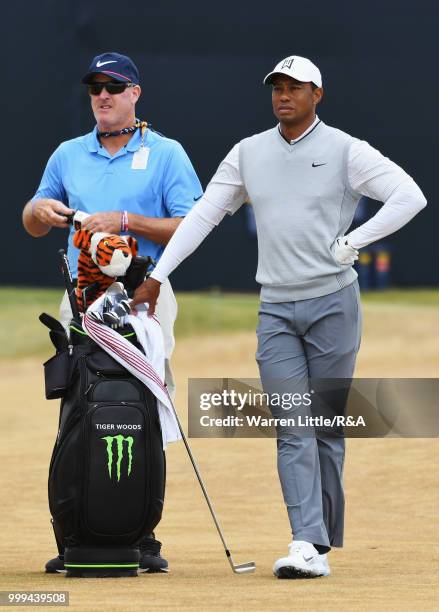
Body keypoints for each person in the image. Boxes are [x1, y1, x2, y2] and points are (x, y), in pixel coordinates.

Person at [131, 55, 427, 578]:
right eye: (277, 87)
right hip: (276, 309)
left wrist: (354, 241)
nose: (283, 95)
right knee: (294, 424)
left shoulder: (345, 150)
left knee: (326, 426)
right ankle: (305, 543)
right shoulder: (248, 153)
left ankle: (321, 539)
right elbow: (203, 216)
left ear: (318, 95)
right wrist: (159, 275)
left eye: (295, 87)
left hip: (335, 302)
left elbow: (410, 196)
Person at [22, 51, 203, 574]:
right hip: (81, 299)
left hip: (144, 295)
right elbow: (34, 219)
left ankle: (141, 532)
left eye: (114, 86)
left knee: (147, 404)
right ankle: (77, 527)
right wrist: (37, 212)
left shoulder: (166, 153)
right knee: (76, 405)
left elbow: (190, 225)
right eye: (95, 87)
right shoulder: (68, 154)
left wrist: (126, 219)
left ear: (135, 94)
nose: (103, 95)